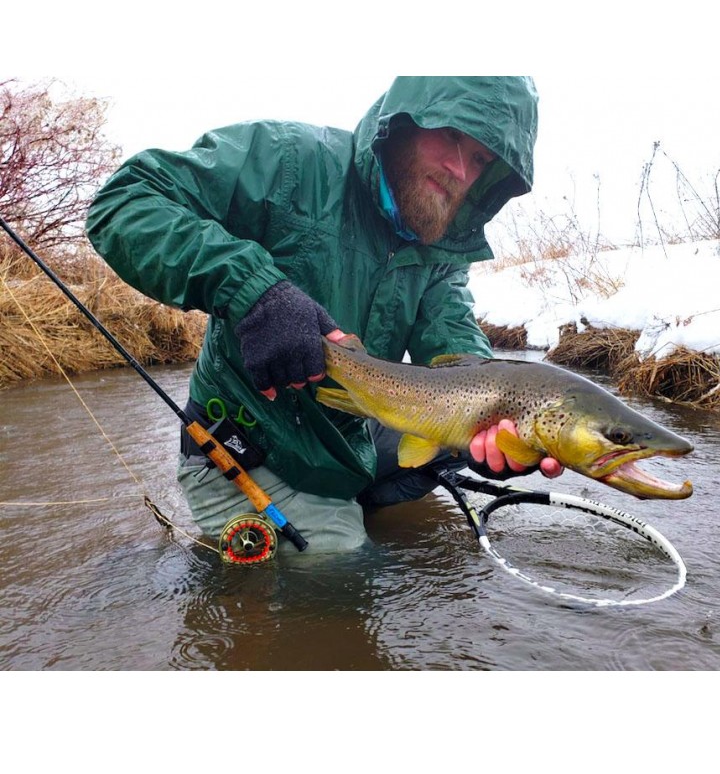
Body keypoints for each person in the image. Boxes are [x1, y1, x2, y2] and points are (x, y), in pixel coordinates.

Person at [86, 76, 563, 555]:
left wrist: (497, 433)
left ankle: (352, 494)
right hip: (248, 439)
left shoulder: (441, 241)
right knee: (342, 571)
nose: (460, 169)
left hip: (342, 424)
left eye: (481, 158)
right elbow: (126, 200)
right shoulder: (290, 160)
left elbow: (457, 349)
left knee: (450, 445)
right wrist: (255, 291)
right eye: (451, 134)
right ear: (404, 121)